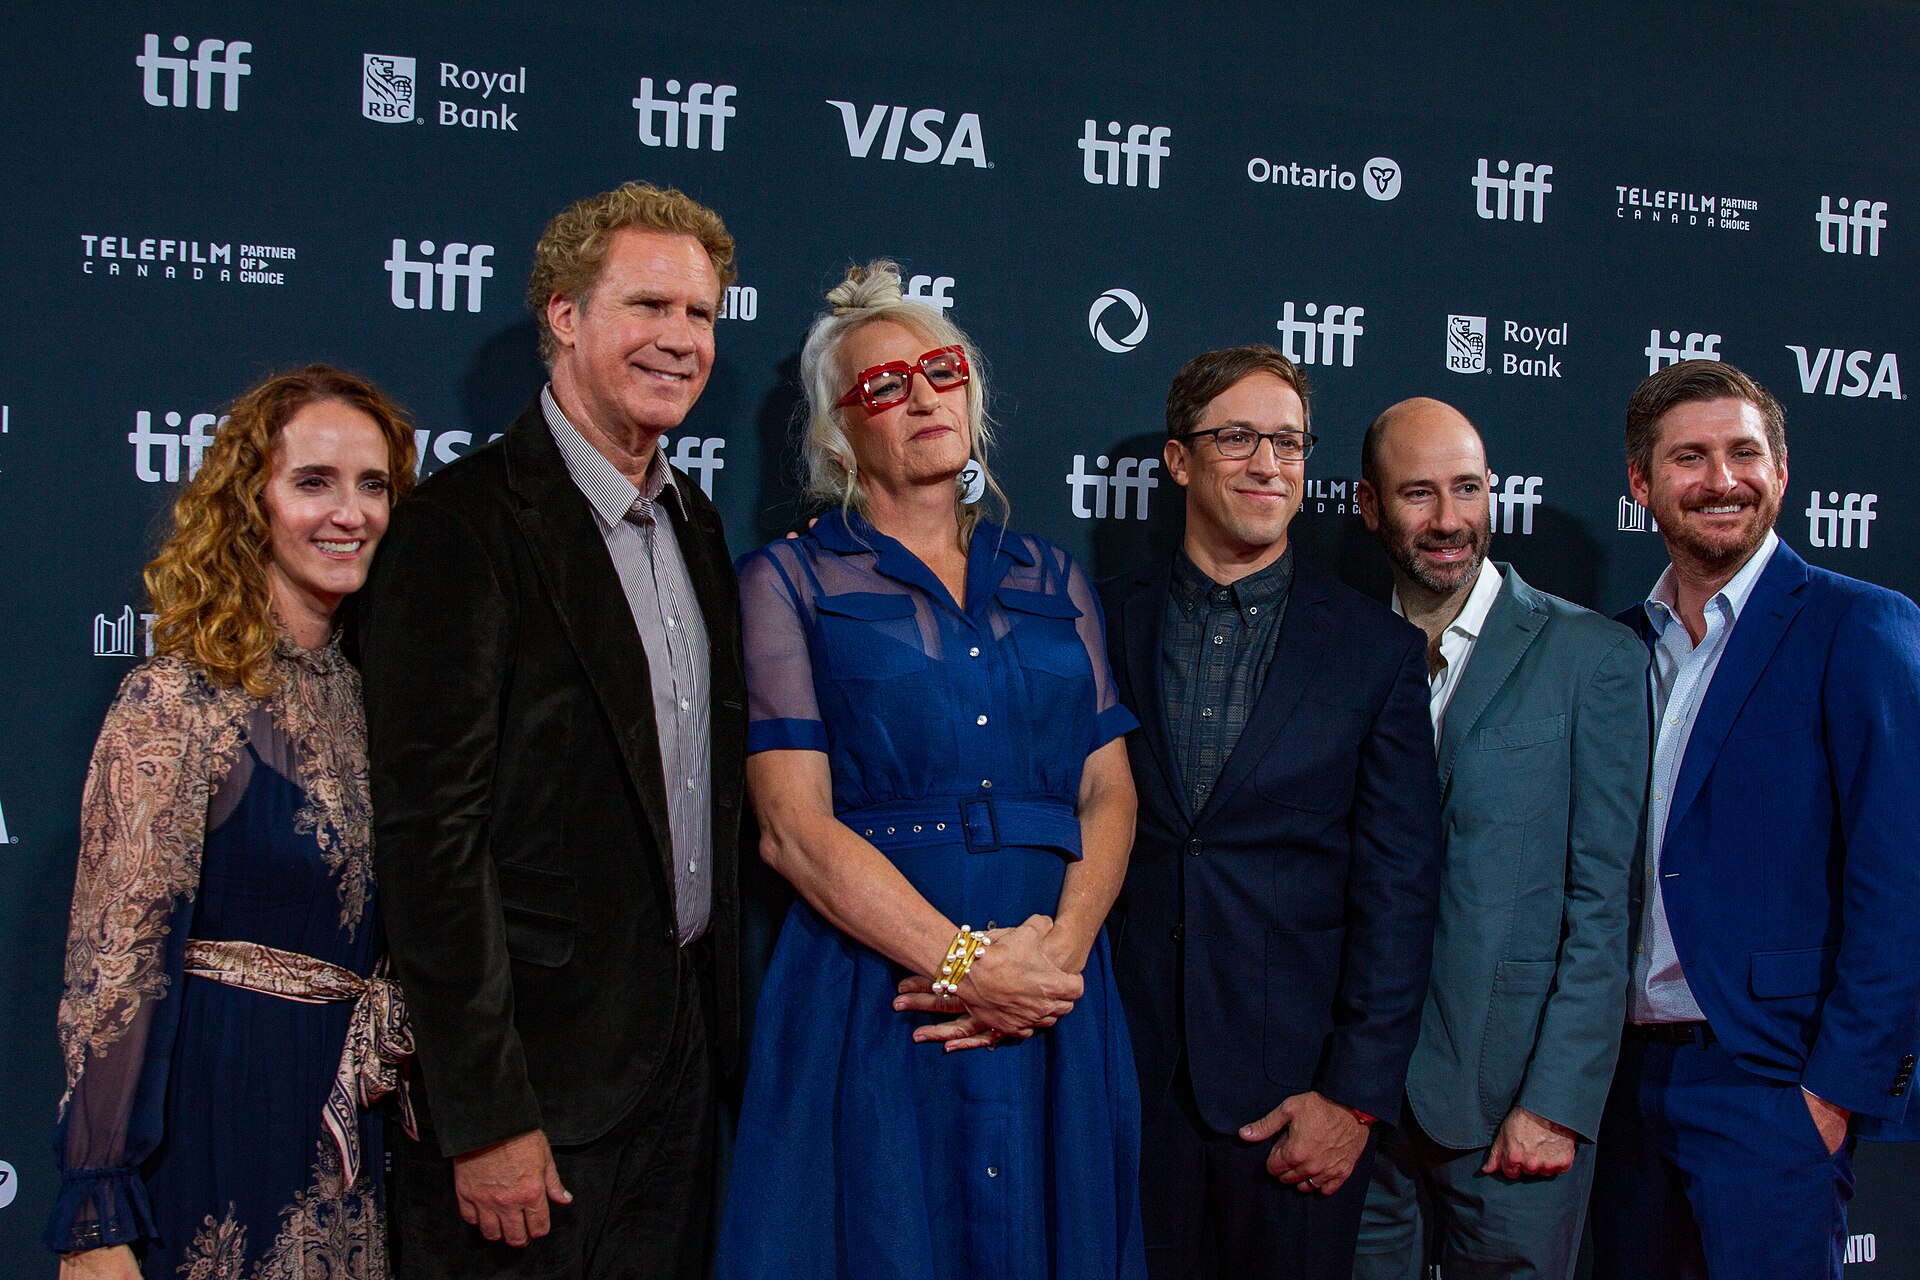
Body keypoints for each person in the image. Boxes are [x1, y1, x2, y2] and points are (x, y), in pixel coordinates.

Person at [715, 260, 1146, 1279]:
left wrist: (1054, 959)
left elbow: (1110, 791)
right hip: (880, 991)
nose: (923, 396)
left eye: (943, 371)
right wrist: (964, 967)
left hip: (1055, 993)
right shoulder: (787, 580)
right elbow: (791, 829)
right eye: (884, 385)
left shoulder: (1052, 575)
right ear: (838, 433)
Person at [354, 182, 746, 1280]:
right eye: (649, 305)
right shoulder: (460, 526)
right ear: (565, 314)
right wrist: (483, 1112)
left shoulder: (697, 525)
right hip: (534, 1093)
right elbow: (430, 841)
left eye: (701, 314)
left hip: (682, 1075)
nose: (680, 339)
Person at [45, 366, 417, 1279]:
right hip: (213, 1117)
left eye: (374, 485)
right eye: (314, 482)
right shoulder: (177, 700)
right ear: (251, 503)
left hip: (346, 1128)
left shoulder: (384, 702)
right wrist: (98, 1209)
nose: (351, 514)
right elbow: (117, 963)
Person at [1099, 345, 1443, 1280]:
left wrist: (1354, 1099)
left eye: (1288, 443)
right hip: (1124, 1081)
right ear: (1180, 460)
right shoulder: (1097, 620)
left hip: (1296, 1102)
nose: (1268, 464)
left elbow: (1402, 892)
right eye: (1238, 438)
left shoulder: (1375, 651)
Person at [1587, 359, 1920, 1280]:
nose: (1721, 480)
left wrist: (1834, 1094)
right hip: (1616, 1086)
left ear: (1780, 471)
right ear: (1641, 483)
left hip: (1770, 1083)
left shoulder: (1861, 627)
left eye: (1743, 454)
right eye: (1689, 457)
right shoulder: (1612, 649)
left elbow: (1901, 882)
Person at [1348, 398, 1647, 1280]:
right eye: (1418, 494)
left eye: (1468, 489)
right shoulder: (1338, 650)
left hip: (1514, 1108)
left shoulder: (1591, 657)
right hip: (1360, 1109)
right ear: (1369, 506)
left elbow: (1606, 905)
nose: (1449, 520)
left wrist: (1556, 1103)